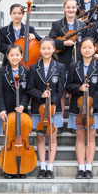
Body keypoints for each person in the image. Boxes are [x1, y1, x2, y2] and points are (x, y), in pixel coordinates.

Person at [66, 37, 98, 179]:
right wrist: (79, 88)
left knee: (91, 137)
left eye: (90, 47)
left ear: (95, 48)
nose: (87, 50)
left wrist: (92, 106)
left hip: (93, 109)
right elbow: (69, 85)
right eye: (84, 47)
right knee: (80, 137)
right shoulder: (73, 66)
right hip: (77, 108)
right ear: (80, 49)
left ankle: (89, 167)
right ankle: (80, 167)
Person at [26, 37, 65, 179]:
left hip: (53, 108)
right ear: (40, 50)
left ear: (53, 49)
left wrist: (53, 103)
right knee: (40, 138)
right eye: (43, 48)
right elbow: (30, 88)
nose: (46, 51)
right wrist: (41, 95)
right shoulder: (33, 67)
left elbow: (61, 89)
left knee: (52, 138)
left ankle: (50, 167)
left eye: (49, 48)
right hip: (38, 108)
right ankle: (42, 167)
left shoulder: (60, 67)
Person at [0, 44, 30, 179]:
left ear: (21, 56)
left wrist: (23, 105)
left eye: (17, 55)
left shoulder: (26, 72)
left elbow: (27, 92)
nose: (15, 57)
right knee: (7, 139)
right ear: (7, 57)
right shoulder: (1, 72)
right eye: (12, 55)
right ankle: (8, 168)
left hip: (21, 111)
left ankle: (22, 168)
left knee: (21, 138)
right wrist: (1, 110)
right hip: (6, 109)